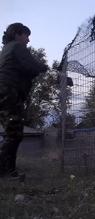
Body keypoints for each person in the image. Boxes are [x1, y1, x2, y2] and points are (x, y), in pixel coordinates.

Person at [0, 23, 48, 178]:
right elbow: (32, 66)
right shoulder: (16, 47)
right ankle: (6, 171)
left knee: (10, 131)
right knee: (14, 132)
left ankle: (7, 170)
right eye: (26, 35)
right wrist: (45, 67)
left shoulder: (6, 50)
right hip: (9, 92)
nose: (28, 40)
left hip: (4, 93)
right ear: (17, 34)